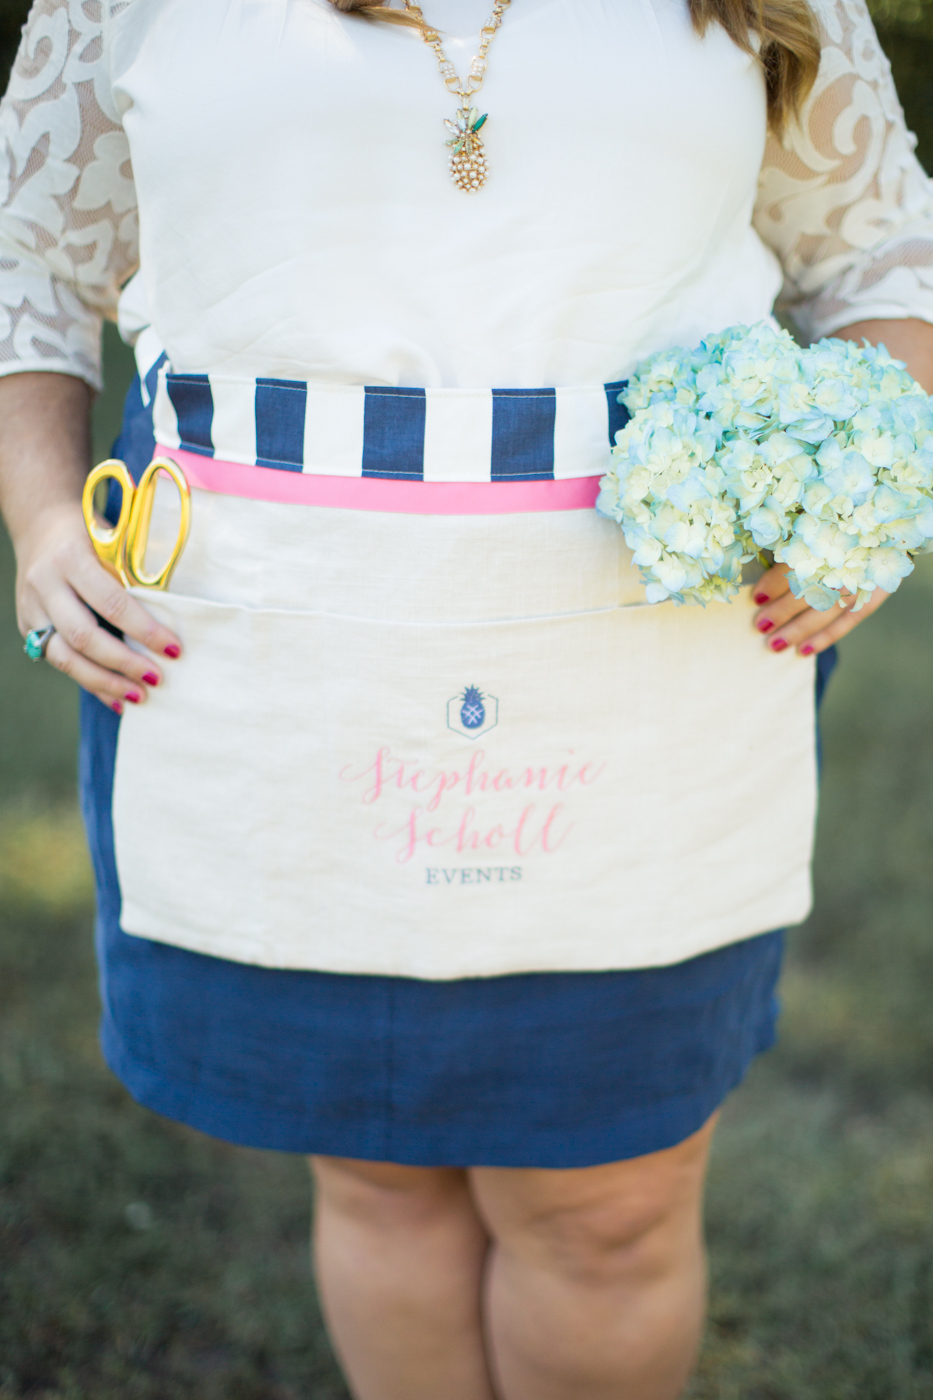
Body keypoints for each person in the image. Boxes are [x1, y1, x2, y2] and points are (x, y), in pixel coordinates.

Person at [1, 0, 932, 1395]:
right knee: (377, 1173)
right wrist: (43, 520)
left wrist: (861, 495)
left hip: (646, 671)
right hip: (276, 661)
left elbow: (881, 255)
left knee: (611, 1205)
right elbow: (30, 264)